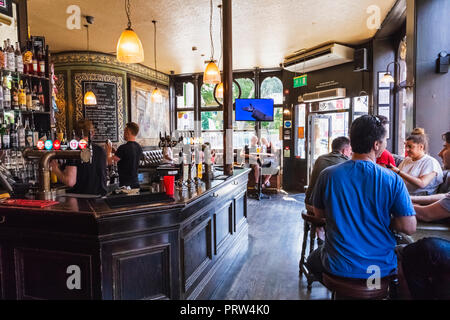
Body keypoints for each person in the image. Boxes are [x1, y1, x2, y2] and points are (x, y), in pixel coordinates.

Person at [306, 115, 416, 282]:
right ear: (376, 144)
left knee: (312, 260)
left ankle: (342, 292)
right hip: (380, 269)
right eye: (384, 139)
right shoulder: (393, 179)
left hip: (338, 266)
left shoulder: (328, 175)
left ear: (352, 141)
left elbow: (319, 215)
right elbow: (409, 227)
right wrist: (383, 219)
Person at [50, 119, 107, 196]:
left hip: (81, 198)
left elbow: (70, 181)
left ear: (74, 134)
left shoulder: (74, 151)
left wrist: (55, 169)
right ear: (92, 133)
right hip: (100, 197)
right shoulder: (101, 150)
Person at [390, 128, 443, 196]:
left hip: (420, 199)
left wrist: (399, 172)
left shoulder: (431, 162)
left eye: (410, 147)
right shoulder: (407, 159)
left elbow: (422, 183)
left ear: (421, 147)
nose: (407, 149)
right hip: (403, 194)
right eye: (406, 146)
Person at [305, 136, 352, 206]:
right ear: (344, 150)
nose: (351, 153)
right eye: (350, 150)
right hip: (325, 208)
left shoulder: (320, 159)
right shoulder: (347, 163)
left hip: (309, 203)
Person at [411, 131, 450, 205]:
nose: (439, 154)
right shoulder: (407, 160)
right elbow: (446, 197)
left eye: (446, 147)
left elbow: (427, 214)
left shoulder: (431, 162)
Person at [106, 122, 143, 189]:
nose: (123, 134)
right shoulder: (139, 147)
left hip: (125, 185)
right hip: (136, 183)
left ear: (128, 132)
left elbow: (109, 161)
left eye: (124, 131)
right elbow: (129, 157)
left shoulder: (123, 148)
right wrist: (116, 152)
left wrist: (108, 151)